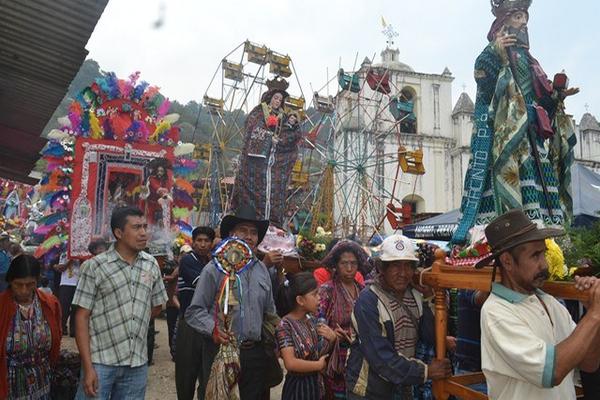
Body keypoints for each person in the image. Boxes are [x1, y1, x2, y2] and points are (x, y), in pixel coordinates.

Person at [452, 0, 579, 245]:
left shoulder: (531, 61)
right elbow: (485, 86)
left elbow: (540, 102)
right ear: (504, 20)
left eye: (525, 18)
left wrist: (557, 96)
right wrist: (495, 53)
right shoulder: (490, 53)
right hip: (506, 137)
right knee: (507, 182)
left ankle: (548, 244)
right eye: (518, 16)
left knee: (540, 194)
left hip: (531, 139)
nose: (523, 22)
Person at [476, 209, 600, 400]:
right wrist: (594, 315)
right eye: (535, 256)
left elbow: (589, 363)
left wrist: (591, 311)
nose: (544, 265)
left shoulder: (550, 303)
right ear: (507, 262)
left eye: (543, 254)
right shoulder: (496, 312)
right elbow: (551, 372)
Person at [73, 206, 168, 400]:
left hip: (137, 364)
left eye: (144, 226)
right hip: (100, 362)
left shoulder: (151, 264)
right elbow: (81, 317)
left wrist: (133, 320)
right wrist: (88, 367)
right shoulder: (95, 267)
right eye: (136, 228)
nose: (143, 233)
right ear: (118, 233)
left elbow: (157, 305)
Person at [184, 206, 277, 400]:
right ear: (231, 234)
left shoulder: (262, 270)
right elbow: (194, 311)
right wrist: (213, 329)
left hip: (254, 354)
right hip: (221, 351)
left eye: (254, 232)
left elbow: (270, 313)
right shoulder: (215, 268)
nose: (249, 237)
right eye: (243, 230)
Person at [345, 234, 452, 400]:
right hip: (370, 390)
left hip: (402, 387)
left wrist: (429, 297)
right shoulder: (368, 301)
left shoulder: (416, 295)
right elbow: (381, 358)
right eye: (395, 266)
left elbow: (430, 336)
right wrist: (426, 371)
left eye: (408, 266)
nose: (403, 273)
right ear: (381, 267)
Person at [229, 78, 304, 228]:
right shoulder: (258, 112)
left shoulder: (283, 117)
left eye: (280, 100)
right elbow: (252, 129)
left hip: (275, 161)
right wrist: (270, 138)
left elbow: (291, 133)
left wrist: (280, 141)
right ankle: (252, 222)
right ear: (270, 97)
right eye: (276, 98)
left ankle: (273, 224)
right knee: (253, 188)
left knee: (276, 190)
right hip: (257, 161)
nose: (278, 101)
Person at [0, 254, 62, 399]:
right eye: (18, 284)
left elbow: (56, 337)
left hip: (42, 379)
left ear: (37, 280)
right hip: (8, 382)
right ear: (10, 281)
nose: (24, 290)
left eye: (30, 284)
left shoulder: (50, 304)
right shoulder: (2, 306)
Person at [317, 240, 368, 399]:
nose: (349, 268)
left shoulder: (363, 291)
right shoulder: (327, 290)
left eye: (353, 263)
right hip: (335, 360)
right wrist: (332, 336)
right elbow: (318, 324)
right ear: (336, 265)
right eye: (344, 263)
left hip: (360, 358)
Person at [276, 271, 337, 400]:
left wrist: (332, 339)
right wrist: (318, 366)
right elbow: (290, 363)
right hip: (298, 388)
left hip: (316, 385)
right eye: (315, 294)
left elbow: (320, 352)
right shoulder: (285, 325)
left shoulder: (312, 319)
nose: (319, 298)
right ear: (300, 300)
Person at [175, 226, 215, 399]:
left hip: (208, 322)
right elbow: (205, 286)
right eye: (199, 240)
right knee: (187, 372)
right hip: (190, 323)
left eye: (207, 241)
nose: (203, 244)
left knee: (207, 372)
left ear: (212, 243)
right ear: (193, 242)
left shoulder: (212, 262)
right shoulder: (188, 260)